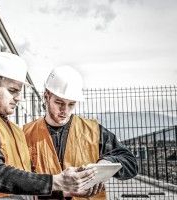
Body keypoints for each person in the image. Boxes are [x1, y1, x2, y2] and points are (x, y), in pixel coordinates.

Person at [0, 52, 97, 200]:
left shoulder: (14, 130)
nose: (18, 98)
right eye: (12, 91)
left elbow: (24, 186)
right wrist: (57, 181)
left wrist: (64, 191)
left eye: (19, 92)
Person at [23, 66, 138, 200]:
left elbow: (131, 163)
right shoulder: (26, 133)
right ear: (46, 96)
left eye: (71, 104)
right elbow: (18, 183)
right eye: (59, 102)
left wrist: (106, 163)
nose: (64, 110)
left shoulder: (93, 130)